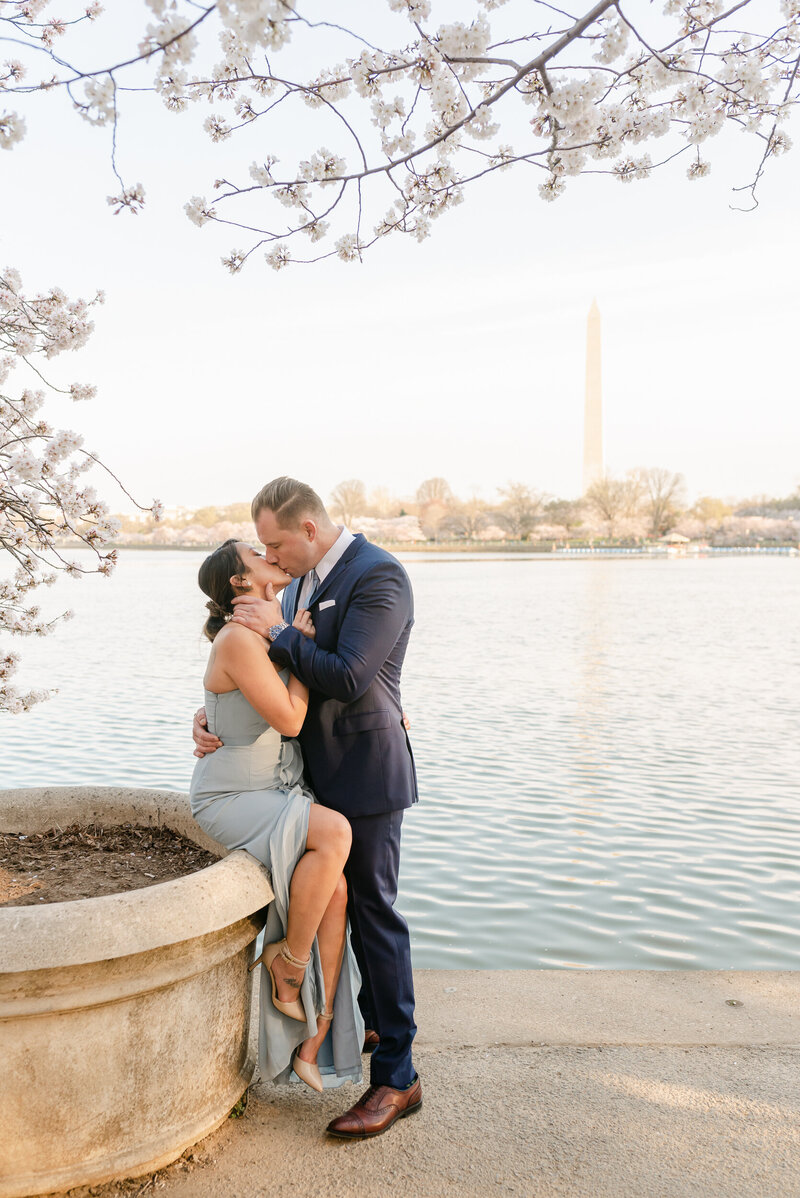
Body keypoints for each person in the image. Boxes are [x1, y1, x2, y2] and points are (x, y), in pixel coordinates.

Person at [193, 476, 421, 1139]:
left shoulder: (381, 575)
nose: (272, 555)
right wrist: (212, 717)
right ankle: (372, 1025)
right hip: (301, 779)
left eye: (274, 543)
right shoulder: (291, 584)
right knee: (341, 909)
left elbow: (348, 675)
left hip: (366, 769)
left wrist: (279, 635)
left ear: (308, 532)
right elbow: (262, 673)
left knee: (376, 916)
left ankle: (398, 1080)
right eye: (261, 548)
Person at [189, 538, 364, 1093]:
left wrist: (294, 640)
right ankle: (286, 963)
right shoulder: (241, 638)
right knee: (336, 831)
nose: (272, 556)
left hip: (277, 788)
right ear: (241, 583)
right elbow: (289, 720)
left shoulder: (273, 621)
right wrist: (303, 649)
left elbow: (236, 703)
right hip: (233, 797)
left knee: (333, 891)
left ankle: (317, 1037)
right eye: (256, 553)